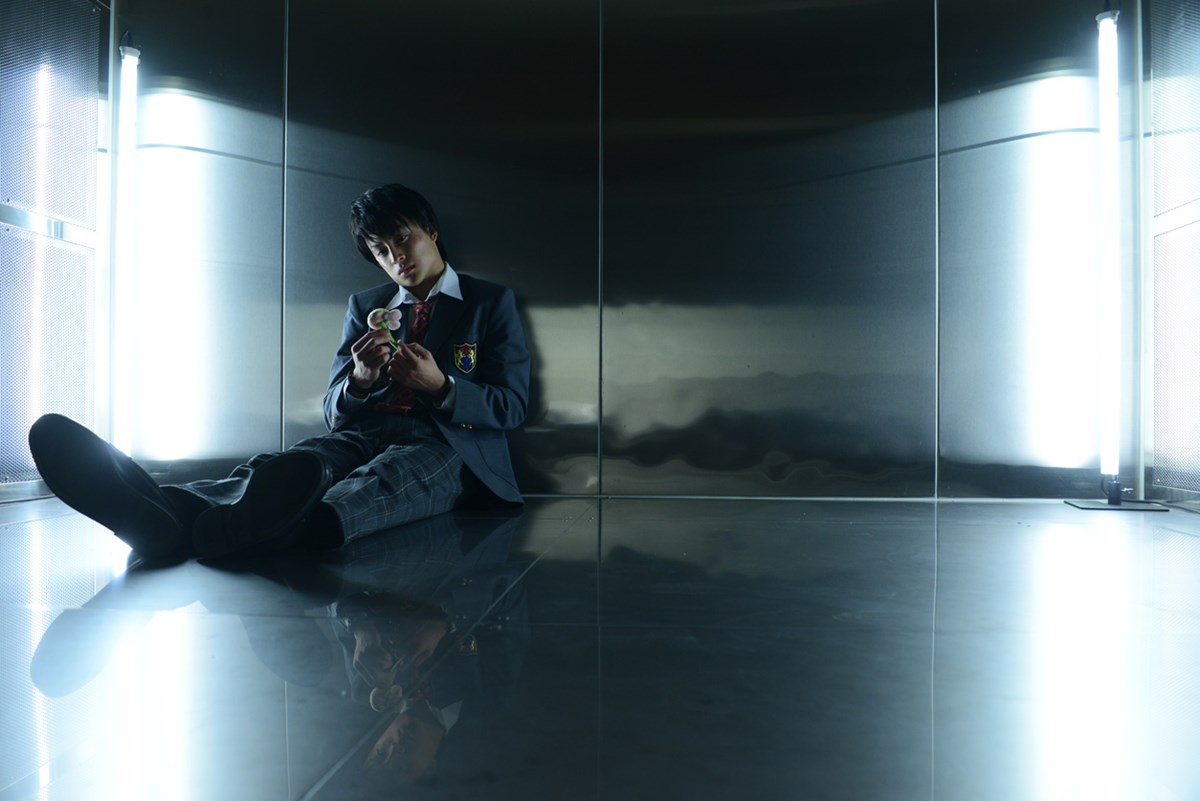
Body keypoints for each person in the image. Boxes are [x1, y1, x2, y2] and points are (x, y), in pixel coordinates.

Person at [29, 183, 531, 563]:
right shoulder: (366, 306)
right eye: (381, 249)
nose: (396, 256)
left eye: (403, 238)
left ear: (432, 232)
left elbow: (511, 406)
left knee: (388, 480)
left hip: (445, 443)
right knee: (296, 463)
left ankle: (234, 530)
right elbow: (335, 414)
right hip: (364, 431)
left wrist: (440, 386)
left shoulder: (489, 303)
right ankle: (170, 509)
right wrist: (359, 380)